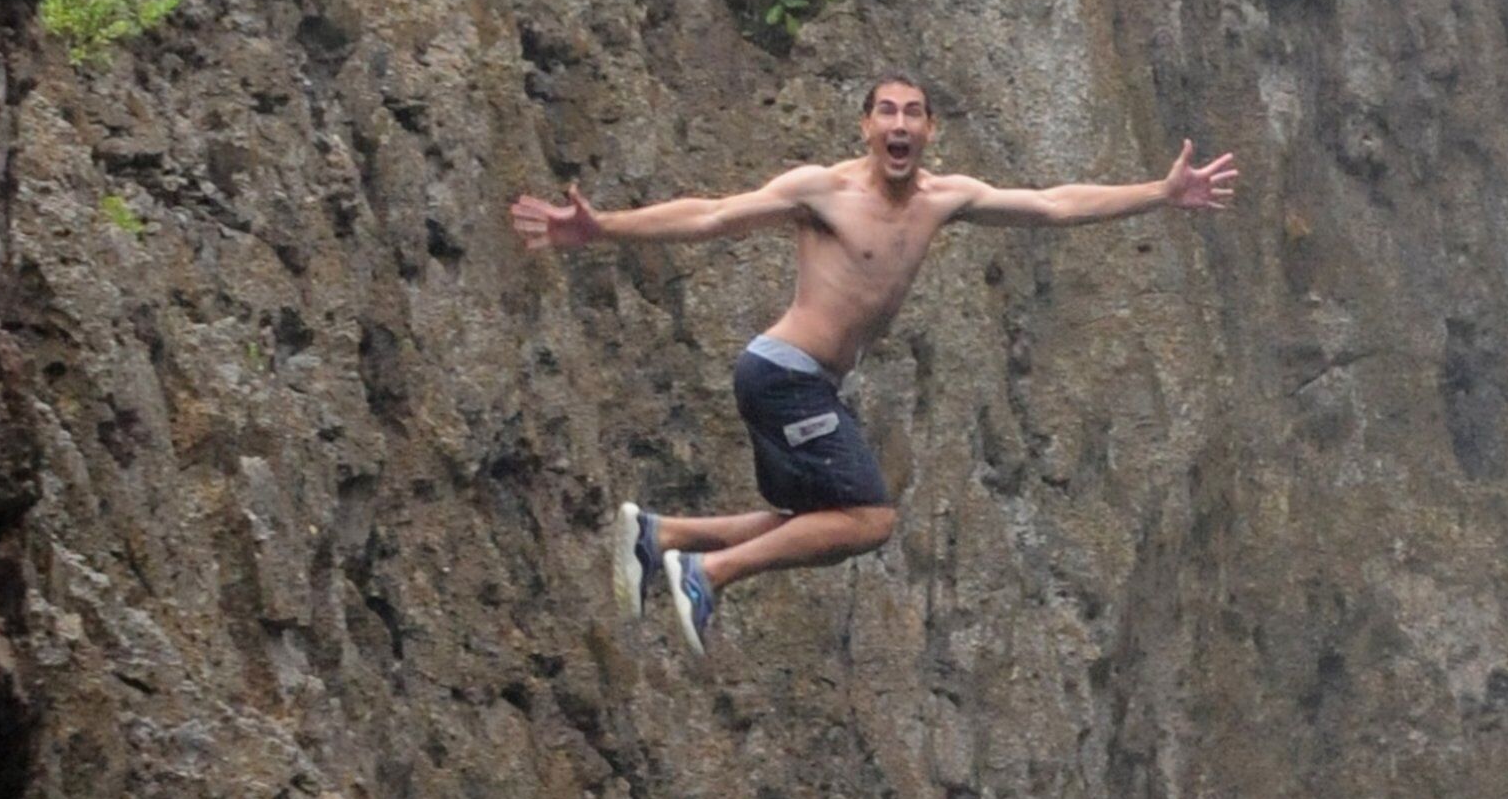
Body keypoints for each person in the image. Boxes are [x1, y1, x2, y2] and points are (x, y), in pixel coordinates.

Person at [507, 75, 1238, 651]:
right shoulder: (823, 191)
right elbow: (710, 214)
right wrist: (602, 229)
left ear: (928, 131)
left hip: (807, 383)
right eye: (885, 112)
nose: (898, 125)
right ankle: (708, 573)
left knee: (822, 526)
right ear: (864, 126)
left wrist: (1160, 193)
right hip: (781, 373)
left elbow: (1052, 205)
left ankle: (663, 537)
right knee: (872, 519)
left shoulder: (945, 198)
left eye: (912, 113)